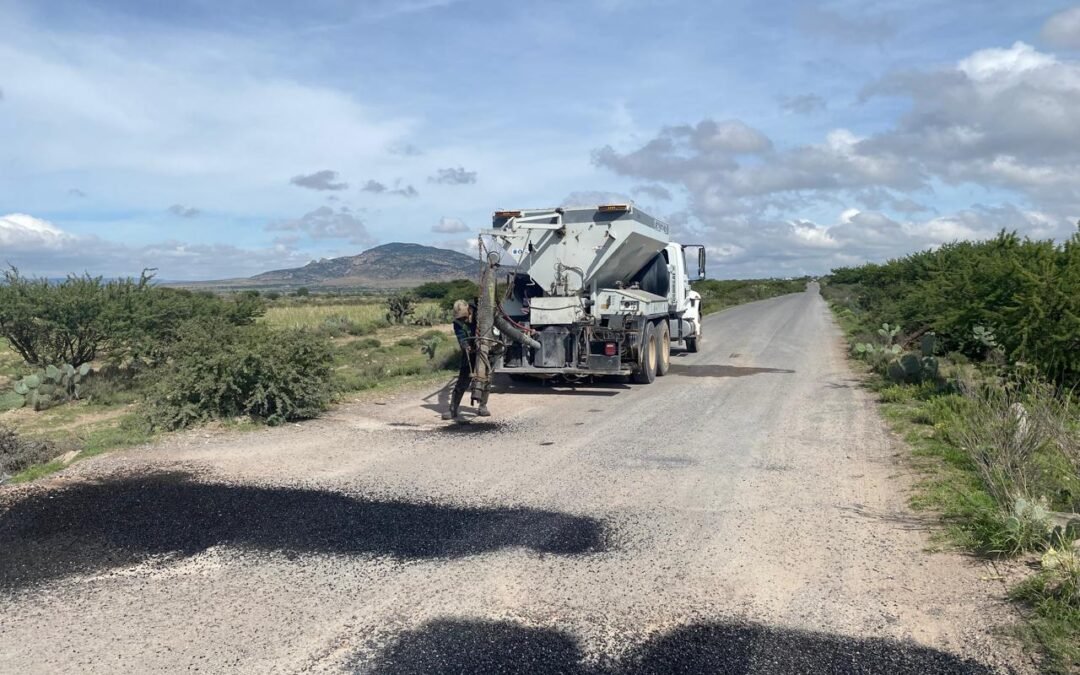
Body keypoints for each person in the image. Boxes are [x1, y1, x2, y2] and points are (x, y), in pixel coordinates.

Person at [444, 299, 491, 420]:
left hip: (484, 351)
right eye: (460, 318)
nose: (463, 320)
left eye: (464, 317)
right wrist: (465, 345)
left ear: (469, 311)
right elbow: (461, 337)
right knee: (462, 381)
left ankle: (482, 406)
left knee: (486, 379)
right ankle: (453, 409)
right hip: (469, 353)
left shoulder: (479, 314)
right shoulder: (457, 323)